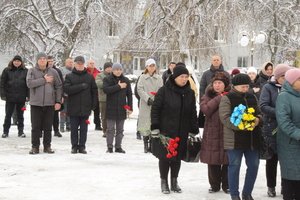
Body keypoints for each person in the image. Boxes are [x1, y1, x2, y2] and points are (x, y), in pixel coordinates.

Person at [151, 65, 199, 194]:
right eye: (181, 77)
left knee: (178, 157)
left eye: (186, 77)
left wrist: (193, 128)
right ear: (175, 77)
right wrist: (155, 126)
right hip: (166, 130)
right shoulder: (164, 91)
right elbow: (155, 109)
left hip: (182, 130)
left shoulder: (189, 92)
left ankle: (174, 181)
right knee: (165, 157)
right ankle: (164, 182)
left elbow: (193, 112)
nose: (184, 79)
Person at [219, 73, 262, 200]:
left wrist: (257, 120)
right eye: (242, 87)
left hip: (252, 139)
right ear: (234, 86)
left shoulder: (252, 97)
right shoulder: (227, 98)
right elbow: (225, 118)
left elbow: (259, 113)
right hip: (234, 140)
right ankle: (234, 194)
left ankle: (247, 193)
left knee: (254, 165)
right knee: (234, 166)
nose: (245, 89)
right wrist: (244, 125)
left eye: (247, 86)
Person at [259, 64, 291, 197]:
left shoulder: (292, 88)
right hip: (272, 128)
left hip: (288, 129)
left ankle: (286, 186)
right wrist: (280, 113)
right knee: (272, 160)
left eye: (287, 76)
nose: (286, 78)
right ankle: (271, 186)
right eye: (283, 76)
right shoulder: (268, 87)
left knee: (287, 161)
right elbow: (263, 106)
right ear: (277, 77)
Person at [200, 72, 230, 194]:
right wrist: (219, 98)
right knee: (213, 160)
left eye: (220, 83)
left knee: (227, 159)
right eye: (215, 83)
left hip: (227, 132)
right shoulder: (207, 95)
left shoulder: (231, 95)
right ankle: (214, 184)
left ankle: (227, 185)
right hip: (211, 131)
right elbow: (206, 109)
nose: (217, 85)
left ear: (225, 85)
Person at [26, 52, 62, 154]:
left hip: (49, 103)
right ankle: (35, 147)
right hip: (36, 103)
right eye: (40, 58)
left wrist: (58, 101)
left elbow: (59, 86)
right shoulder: (31, 71)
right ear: (37, 60)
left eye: (44, 58)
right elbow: (29, 84)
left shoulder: (53, 72)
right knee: (35, 127)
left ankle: (47, 146)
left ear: (47, 60)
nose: (42, 60)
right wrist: (44, 80)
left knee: (48, 127)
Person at [64, 56, 98, 154]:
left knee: (84, 129)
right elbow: (67, 89)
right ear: (74, 64)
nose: (79, 65)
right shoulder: (69, 76)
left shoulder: (89, 77)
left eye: (81, 63)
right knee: (74, 129)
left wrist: (93, 105)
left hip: (85, 107)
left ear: (84, 64)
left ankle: (82, 146)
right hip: (73, 107)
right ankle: (74, 146)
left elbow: (94, 92)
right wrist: (80, 87)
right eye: (78, 63)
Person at [275, 68, 300, 200]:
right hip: (289, 144)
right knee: (291, 178)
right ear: (291, 81)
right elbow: (284, 121)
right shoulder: (284, 96)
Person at [103, 63, 132, 153]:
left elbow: (129, 95)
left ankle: (118, 146)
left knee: (120, 129)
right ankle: (110, 146)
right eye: (116, 69)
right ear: (113, 70)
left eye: (120, 69)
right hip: (110, 107)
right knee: (110, 129)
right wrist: (118, 86)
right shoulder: (107, 79)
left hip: (121, 108)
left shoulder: (126, 80)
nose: (118, 71)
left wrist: (130, 107)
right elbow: (106, 90)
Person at [137, 58, 163, 153]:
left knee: (154, 122)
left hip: (156, 104)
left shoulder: (159, 78)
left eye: (153, 66)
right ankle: (145, 143)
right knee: (145, 123)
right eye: (150, 66)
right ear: (146, 67)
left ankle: (152, 145)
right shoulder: (142, 77)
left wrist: (157, 99)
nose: (152, 68)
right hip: (145, 104)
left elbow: (161, 90)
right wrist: (147, 98)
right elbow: (139, 89)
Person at [0, 55, 28, 138]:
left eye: (18, 61)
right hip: (10, 97)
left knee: (21, 115)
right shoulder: (7, 70)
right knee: (8, 115)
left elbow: (28, 84)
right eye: (15, 61)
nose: (17, 62)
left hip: (21, 97)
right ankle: (5, 131)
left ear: (21, 62)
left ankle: (21, 131)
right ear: (12, 61)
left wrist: (28, 96)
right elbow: (2, 83)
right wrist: (3, 94)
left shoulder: (25, 71)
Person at [47, 56, 64, 137]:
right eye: (48, 61)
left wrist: (61, 96)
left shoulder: (57, 71)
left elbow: (61, 85)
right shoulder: (43, 71)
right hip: (45, 96)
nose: (50, 62)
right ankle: (42, 130)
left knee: (55, 114)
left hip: (55, 96)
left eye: (51, 61)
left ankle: (56, 130)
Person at [95, 62, 113, 138]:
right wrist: (110, 85)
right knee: (104, 116)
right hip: (103, 99)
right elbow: (99, 84)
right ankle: (105, 131)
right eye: (107, 67)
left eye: (110, 67)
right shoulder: (99, 75)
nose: (109, 69)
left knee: (112, 116)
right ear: (105, 68)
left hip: (112, 99)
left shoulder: (114, 75)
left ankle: (111, 130)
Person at [86, 59, 102, 131]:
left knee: (97, 111)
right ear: (87, 64)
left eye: (93, 63)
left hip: (97, 94)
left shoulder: (98, 73)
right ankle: (84, 123)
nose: (92, 65)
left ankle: (97, 125)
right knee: (86, 111)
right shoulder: (85, 72)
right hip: (87, 95)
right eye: (90, 63)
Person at [59, 58, 73, 133]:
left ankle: (69, 126)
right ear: (65, 63)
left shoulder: (74, 70)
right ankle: (61, 126)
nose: (71, 63)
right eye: (69, 62)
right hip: (64, 94)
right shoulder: (62, 70)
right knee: (63, 111)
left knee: (70, 111)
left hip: (72, 95)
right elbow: (60, 82)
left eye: (72, 62)